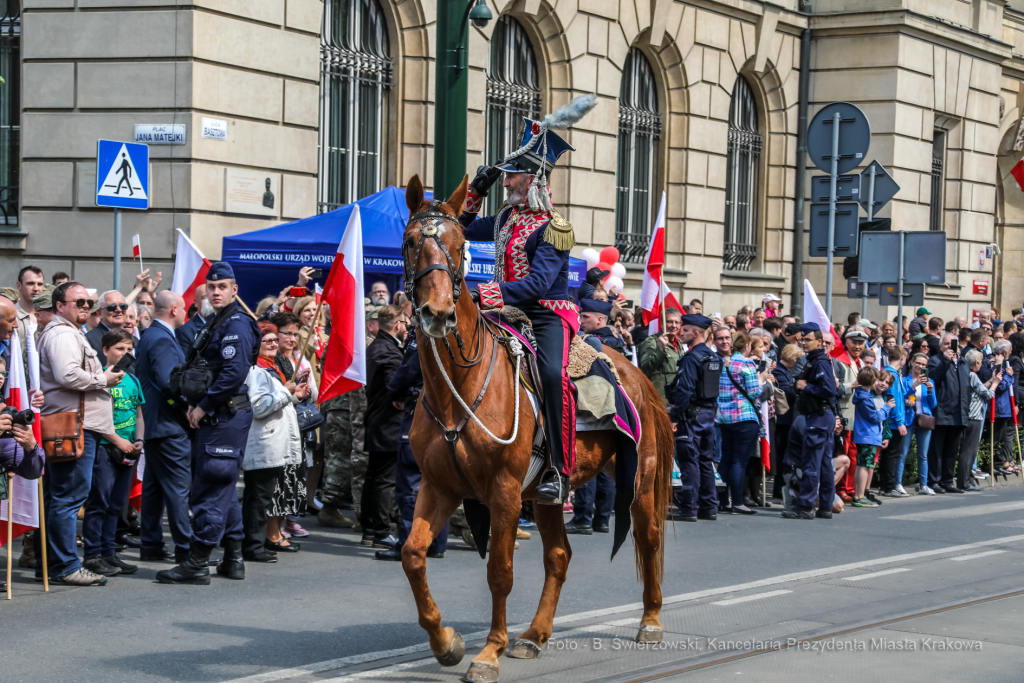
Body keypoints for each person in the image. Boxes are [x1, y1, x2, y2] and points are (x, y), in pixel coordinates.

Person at [460, 107, 593, 504]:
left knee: (552, 375)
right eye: (502, 176)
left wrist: (485, 294)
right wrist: (476, 192)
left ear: (532, 178)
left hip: (547, 313)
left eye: (510, 176)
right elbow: (460, 229)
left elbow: (537, 285)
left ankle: (558, 469)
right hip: (504, 311)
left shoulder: (556, 227)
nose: (505, 182)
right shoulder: (504, 219)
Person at [156, 263, 260, 585]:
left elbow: (233, 373)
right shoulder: (219, 320)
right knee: (223, 487)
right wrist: (196, 402)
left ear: (234, 290)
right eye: (211, 287)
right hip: (219, 413)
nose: (215, 292)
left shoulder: (236, 323)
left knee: (211, 487)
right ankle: (233, 558)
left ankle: (198, 562)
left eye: (222, 287)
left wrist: (203, 406)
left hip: (224, 414)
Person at [36, 283, 123, 586]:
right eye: (79, 302)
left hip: (74, 424)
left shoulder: (67, 332)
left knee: (59, 498)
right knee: (68, 498)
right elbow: (68, 374)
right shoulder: (62, 334)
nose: (86, 306)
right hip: (73, 426)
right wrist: (103, 379)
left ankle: (50, 564)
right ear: (60, 306)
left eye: (88, 302)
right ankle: (65, 566)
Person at [376, 329, 450, 559]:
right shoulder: (459, 330)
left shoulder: (425, 330)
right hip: (448, 417)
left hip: (422, 411)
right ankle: (436, 542)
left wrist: (393, 392)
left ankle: (409, 543)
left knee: (410, 483)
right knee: (440, 483)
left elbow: (409, 368)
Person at [242, 322, 308, 565]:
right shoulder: (256, 370)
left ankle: (255, 543)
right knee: (259, 498)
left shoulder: (271, 368)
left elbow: (277, 401)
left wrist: (294, 395)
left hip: (273, 442)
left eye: (273, 340)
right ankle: (253, 545)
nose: (272, 344)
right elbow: (259, 407)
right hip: (264, 444)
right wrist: (286, 392)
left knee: (263, 497)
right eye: (266, 340)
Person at [82, 328, 145, 578]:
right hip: (105, 448)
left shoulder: (133, 380)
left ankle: (109, 552)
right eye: (120, 348)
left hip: (129, 450)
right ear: (105, 350)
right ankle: (92, 554)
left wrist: (139, 439)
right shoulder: (100, 378)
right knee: (99, 502)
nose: (125, 353)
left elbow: (139, 413)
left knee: (116, 505)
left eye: (129, 349)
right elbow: (94, 417)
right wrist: (117, 441)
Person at [135, 291, 193, 563]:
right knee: (178, 488)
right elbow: (170, 382)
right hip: (168, 423)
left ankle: (151, 544)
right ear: (173, 310)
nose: (186, 314)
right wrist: (191, 404)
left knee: (155, 487)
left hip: (158, 423)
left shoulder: (153, 335)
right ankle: (186, 549)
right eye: (184, 309)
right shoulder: (160, 337)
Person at [782, 322, 838, 520]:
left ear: (819, 342)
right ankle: (825, 506)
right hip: (820, 416)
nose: (804, 343)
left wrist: (806, 387)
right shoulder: (813, 360)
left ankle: (806, 505)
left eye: (808, 340)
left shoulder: (820, 361)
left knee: (811, 464)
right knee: (824, 465)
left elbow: (830, 390)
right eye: (802, 339)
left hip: (818, 416)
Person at [267, 311, 315, 541]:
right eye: (288, 333)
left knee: (294, 476)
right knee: (278, 480)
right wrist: (293, 393)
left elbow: (313, 393)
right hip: (277, 428)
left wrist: (305, 388)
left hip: (297, 426)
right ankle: (273, 530)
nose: (293, 339)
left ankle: (288, 521)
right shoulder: (270, 360)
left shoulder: (296, 359)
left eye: (296, 334)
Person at [360, 305, 405, 547]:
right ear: (397, 325)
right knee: (384, 479)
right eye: (404, 323)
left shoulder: (375, 347)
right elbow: (394, 388)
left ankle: (369, 530)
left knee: (374, 476)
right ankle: (380, 531)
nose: (406, 327)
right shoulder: (389, 352)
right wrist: (401, 397)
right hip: (388, 421)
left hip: (377, 419)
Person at [670, 314, 721, 522]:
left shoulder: (692, 358)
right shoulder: (713, 357)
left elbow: (685, 390)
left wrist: (674, 416)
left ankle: (689, 508)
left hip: (691, 416)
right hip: (708, 415)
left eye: (685, 330)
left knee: (689, 461)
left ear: (696, 333)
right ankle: (709, 507)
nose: (681, 332)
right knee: (705, 462)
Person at [716, 331, 765, 515]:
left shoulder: (723, 362)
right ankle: (737, 502)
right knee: (739, 461)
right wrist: (761, 381)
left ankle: (723, 501)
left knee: (726, 459)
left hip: (724, 417)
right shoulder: (747, 363)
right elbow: (754, 392)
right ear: (747, 346)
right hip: (744, 416)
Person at [927, 333, 971, 494]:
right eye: (946, 344)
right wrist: (945, 361)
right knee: (936, 450)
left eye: (952, 343)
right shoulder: (935, 360)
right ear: (940, 346)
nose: (949, 347)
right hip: (942, 412)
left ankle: (947, 481)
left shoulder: (964, 362)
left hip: (959, 413)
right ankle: (934, 481)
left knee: (952, 451)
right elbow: (933, 380)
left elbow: (966, 388)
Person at [850, 367, 892, 508]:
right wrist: (886, 407)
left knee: (861, 464)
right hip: (869, 435)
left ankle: (858, 494)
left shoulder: (861, 395)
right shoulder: (866, 398)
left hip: (863, 435)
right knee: (865, 465)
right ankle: (860, 496)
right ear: (873, 381)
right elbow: (875, 417)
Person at [896, 353, 938, 495]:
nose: (920, 366)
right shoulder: (904, 380)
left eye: (923, 365)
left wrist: (930, 391)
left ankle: (923, 486)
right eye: (918, 363)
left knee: (923, 455)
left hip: (924, 419)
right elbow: (902, 398)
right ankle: (898, 484)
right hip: (909, 420)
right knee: (903, 453)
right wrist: (913, 386)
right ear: (912, 363)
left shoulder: (929, 381)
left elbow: (933, 404)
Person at [962, 349, 1001, 491]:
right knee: (969, 451)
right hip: (973, 416)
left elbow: (979, 389)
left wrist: (991, 380)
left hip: (969, 415)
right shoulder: (972, 375)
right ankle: (965, 481)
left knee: (968, 450)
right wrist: (995, 383)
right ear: (977, 362)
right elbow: (987, 394)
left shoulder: (967, 374)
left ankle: (967, 480)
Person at [877, 346, 909, 497]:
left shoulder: (893, 374)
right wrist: (899, 421)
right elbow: (892, 400)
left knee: (888, 454)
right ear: (902, 357)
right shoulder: (891, 375)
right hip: (893, 422)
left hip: (893, 420)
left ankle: (885, 486)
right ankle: (888, 486)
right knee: (891, 455)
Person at [772, 343, 803, 500]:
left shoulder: (788, 371)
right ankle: (778, 487)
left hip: (789, 418)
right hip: (783, 420)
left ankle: (782, 486)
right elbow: (786, 392)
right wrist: (798, 386)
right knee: (782, 454)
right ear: (791, 358)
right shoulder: (779, 371)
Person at [639, 307, 683, 404]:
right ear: (662, 324)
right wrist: (660, 349)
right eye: (670, 322)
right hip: (659, 400)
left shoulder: (679, 343)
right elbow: (645, 368)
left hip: (676, 399)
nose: (674, 325)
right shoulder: (652, 342)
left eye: (677, 322)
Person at [85, 289, 128, 366]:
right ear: (99, 313)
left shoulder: (134, 340)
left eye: (123, 306)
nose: (118, 310)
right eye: (112, 307)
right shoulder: (89, 340)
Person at [14, 265, 44, 360]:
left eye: (40, 284)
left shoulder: (48, 316)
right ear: (19, 285)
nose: (36, 288)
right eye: (30, 283)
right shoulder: (11, 316)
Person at [175, 284, 208, 356]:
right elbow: (186, 359)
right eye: (205, 297)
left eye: (212, 297)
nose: (209, 301)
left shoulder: (224, 323)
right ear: (196, 302)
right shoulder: (184, 330)